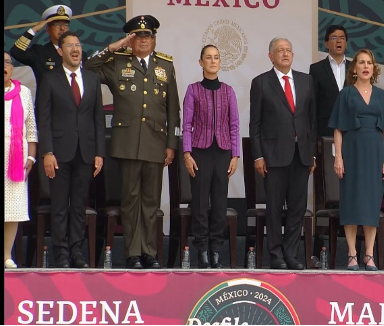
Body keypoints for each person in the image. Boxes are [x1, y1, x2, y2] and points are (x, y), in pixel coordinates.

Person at [85, 15, 180, 269]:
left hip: (156, 143)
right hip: (127, 142)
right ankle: (133, 253)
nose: (143, 41)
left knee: (150, 201)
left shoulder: (165, 65)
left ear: (154, 39)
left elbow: (173, 110)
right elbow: (88, 67)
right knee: (130, 201)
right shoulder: (117, 62)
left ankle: (149, 252)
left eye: (147, 36)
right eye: (138, 37)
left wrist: (171, 144)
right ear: (131, 40)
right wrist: (113, 48)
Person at [36, 31, 105, 268]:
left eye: (78, 45)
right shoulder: (50, 79)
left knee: (78, 207)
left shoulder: (92, 78)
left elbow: (98, 118)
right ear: (60, 51)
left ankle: (77, 253)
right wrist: (46, 152)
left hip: (85, 153)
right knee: (59, 207)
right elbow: (42, 119)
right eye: (70, 46)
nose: (75, 50)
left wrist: (99, 153)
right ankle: (61, 255)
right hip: (58, 153)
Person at [249, 37, 316, 270]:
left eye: (289, 50)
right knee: (275, 207)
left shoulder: (306, 81)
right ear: (271, 56)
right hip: (273, 154)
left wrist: (313, 154)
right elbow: (254, 123)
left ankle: (291, 253)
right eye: (280, 51)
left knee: (297, 207)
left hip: (301, 154)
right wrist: (258, 155)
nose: (285, 54)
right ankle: (275, 254)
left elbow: (311, 120)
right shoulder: (261, 83)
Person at [328, 49, 384, 271]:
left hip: (375, 153)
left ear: (373, 68)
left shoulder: (382, 96)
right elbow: (338, 129)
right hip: (352, 151)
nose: (366, 66)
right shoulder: (345, 94)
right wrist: (338, 157)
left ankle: (369, 254)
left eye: (369, 63)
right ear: (354, 68)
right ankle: (352, 254)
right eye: (361, 62)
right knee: (351, 202)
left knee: (370, 205)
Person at [182, 45, 240, 269]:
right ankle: (202, 249)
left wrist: (235, 155)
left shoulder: (228, 91)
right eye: (208, 58)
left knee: (219, 203)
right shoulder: (193, 90)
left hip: (223, 152)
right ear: (201, 63)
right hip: (200, 152)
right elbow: (186, 125)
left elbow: (234, 125)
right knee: (199, 202)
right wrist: (187, 153)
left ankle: (216, 249)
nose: (213, 61)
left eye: (216, 57)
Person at [4, 52, 38, 269]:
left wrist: (32, 156)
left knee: (12, 209)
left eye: (7, 62)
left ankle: (6, 255)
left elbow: (31, 128)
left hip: (14, 160)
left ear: (12, 68)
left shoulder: (23, 93)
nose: (4, 66)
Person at [10, 5, 88, 94]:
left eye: (65, 25)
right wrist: (34, 30)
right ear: (48, 29)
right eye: (57, 24)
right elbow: (16, 51)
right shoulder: (40, 52)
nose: (62, 28)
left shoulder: (81, 55)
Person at [309, 25, 350, 137]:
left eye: (342, 38)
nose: (339, 41)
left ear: (346, 43)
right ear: (326, 44)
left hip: (351, 128)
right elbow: (313, 102)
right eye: (334, 38)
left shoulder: (355, 67)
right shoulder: (316, 69)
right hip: (325, 128)